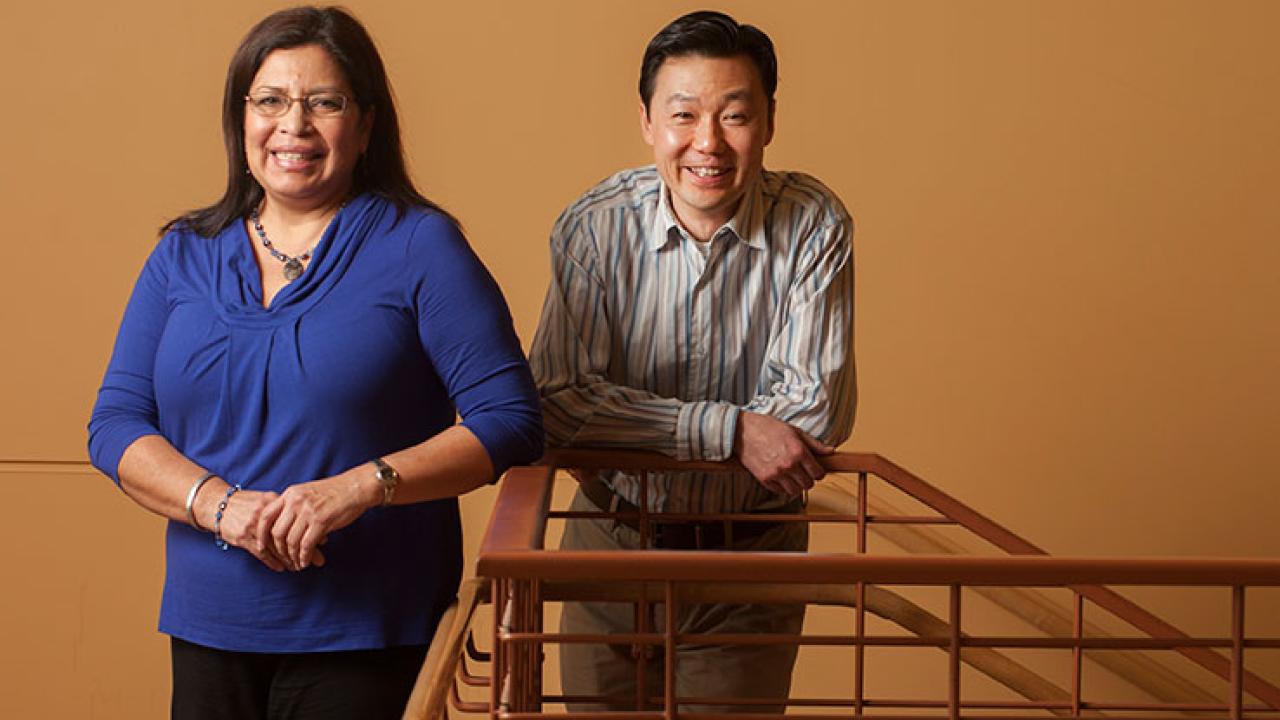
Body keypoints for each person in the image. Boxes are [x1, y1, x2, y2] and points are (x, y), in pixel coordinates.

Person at [87, 6, 543, 719]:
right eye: (270, 101)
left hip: (369, 628)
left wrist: (359, 488)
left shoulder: (421, 247)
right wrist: (221, 507)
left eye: (323, 102)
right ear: (241, 119)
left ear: (365, 125)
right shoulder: (182, 252)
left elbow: (510, 420)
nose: (293, 125)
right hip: (209, 623)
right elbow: (115, 423)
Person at [529, 9, 856, 714]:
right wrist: (733, 431)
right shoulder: (595, 226)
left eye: (735, 116)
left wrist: (630, 422)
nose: (708, 142)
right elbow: (557, 401)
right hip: (610, 536)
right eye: (683, 115)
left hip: (751, 553)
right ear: (647, 121)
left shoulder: (813, 223)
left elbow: (813, 412)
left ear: (768, 122)